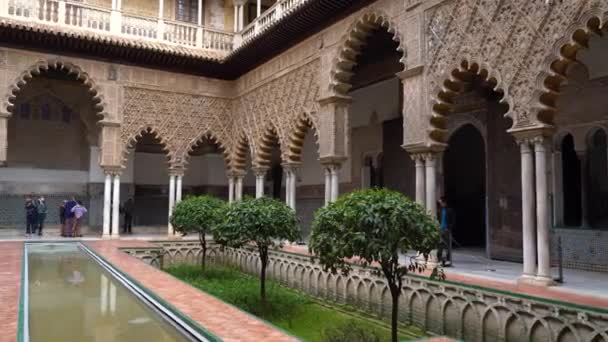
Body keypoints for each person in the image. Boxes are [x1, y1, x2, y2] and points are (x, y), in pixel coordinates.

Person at [437, 196, 454, 267]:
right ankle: (439, 259)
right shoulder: (440, 210)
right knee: (440, 245)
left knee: (447, 246)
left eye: (441, 202)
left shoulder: (449, 210)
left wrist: (449, 228)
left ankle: (448, 260)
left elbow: (452, 220)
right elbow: (438, 219)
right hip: (440, 230)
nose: (440, 204)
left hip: (446, 230)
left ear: (444, 202)